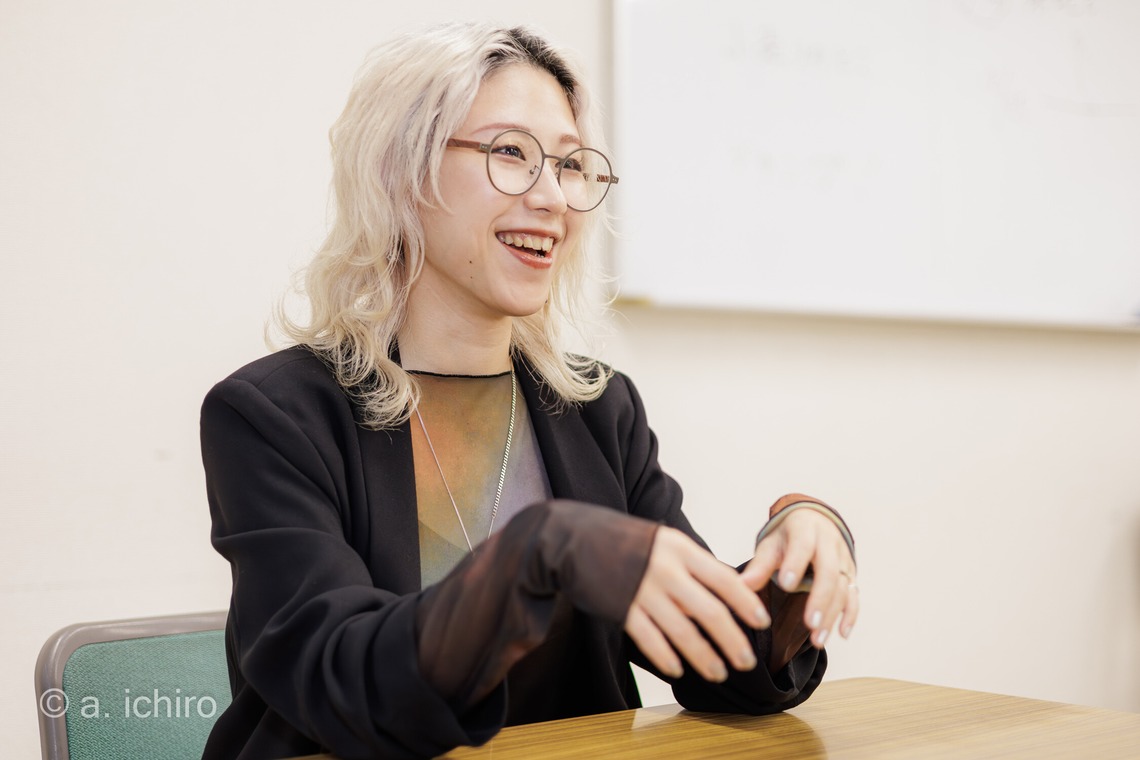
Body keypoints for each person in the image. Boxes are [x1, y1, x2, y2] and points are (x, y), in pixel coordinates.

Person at [200, 21, 858, 760]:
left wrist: (798, 561)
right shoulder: (271, 416)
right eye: (511, 152)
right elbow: (342, 681)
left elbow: (721, 663)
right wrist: (540, 550)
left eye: (573, 166)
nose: (554, 198)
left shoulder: (598, 410)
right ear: (401, 170)